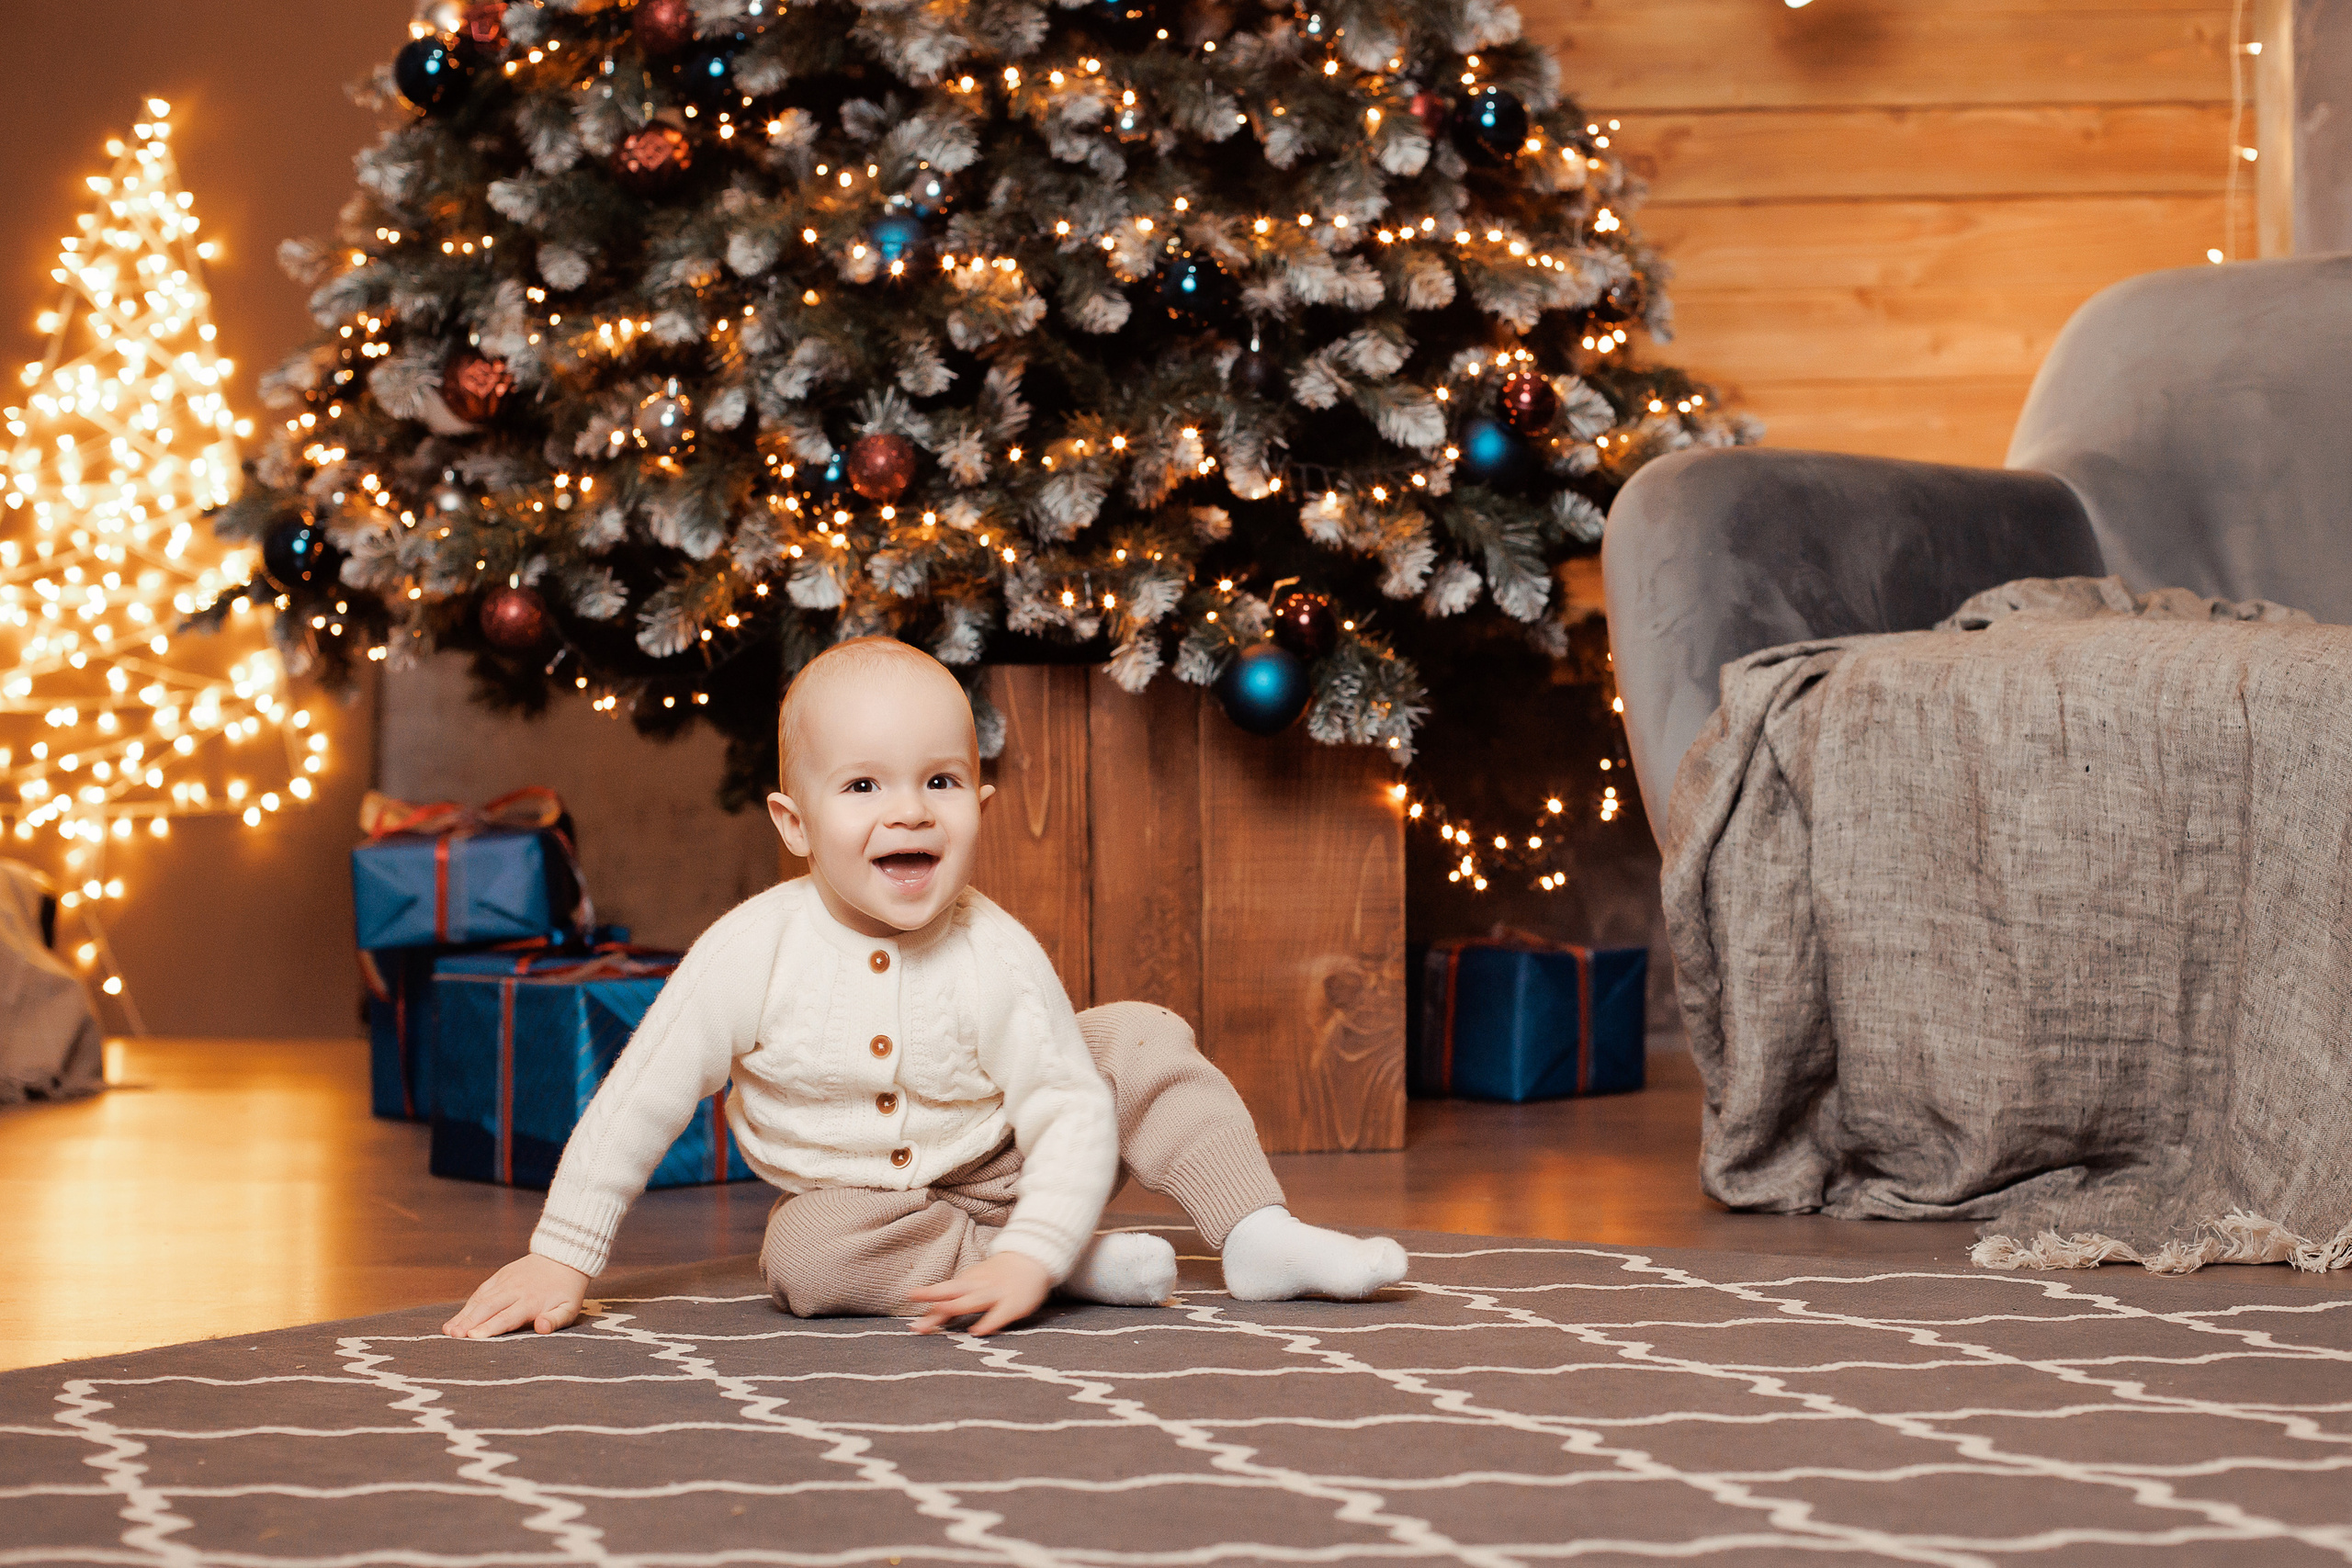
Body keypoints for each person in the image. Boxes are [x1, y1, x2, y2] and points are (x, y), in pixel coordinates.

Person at [444, 637, 1408, 1340]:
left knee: (1137, 1039)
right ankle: (1064, 1264)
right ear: (793, 822)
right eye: (862, 787)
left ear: (980, 806)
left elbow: (1068, 1110)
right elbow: (637, 1101)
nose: (908, 809)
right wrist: (562, 1252)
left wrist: (1031, 1225)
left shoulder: (993, 949)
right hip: (868, 1206)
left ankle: (1256, 1235)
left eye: (940, 782)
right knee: (804, 1257)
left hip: (1012, 1155)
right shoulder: (752, 951)